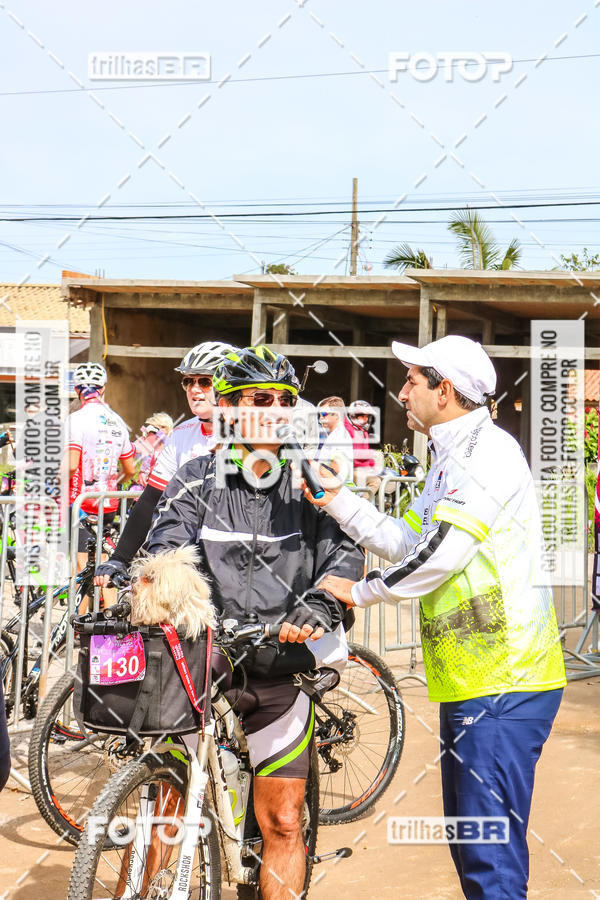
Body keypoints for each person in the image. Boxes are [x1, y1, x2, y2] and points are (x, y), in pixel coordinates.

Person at [301, 335, 567, 900]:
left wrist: (362, 591)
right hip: (477, 677)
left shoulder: (486, 453)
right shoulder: (450, 455)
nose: (401, 392)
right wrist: (338, 500)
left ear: (444, 390)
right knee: (474, 846)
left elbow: (441, 552)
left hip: (505, 679)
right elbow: (409, 539)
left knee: (487, 856)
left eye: (412, 380)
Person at [144, 345, 364, 900]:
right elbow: (165, 542)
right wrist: (166, 584)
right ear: (226, 408)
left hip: (279, 667)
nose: (272, 411)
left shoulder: (314, 482)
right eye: (256, 400)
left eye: (283, 401)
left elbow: (345, 557)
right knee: (168, 809)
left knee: (283, 821)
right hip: (203, 662)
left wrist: (318, 606)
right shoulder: (196, 478)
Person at [94, 341, 236, 587]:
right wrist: (119, 558)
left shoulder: (249, 435)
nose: (194, 389)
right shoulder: (182, 434)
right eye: (188, 381)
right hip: (187, 559)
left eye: (205, 381)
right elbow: (151, 500)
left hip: (234, 561)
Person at [68, 362, 136, 573]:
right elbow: (130, 471)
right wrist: (109, 483)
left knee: (80, 567)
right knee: (103, 563)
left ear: (76, 389)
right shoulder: (117, 421)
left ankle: (75, 607)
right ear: (103, 388)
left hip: (80, 502)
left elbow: (70, 465)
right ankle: (109, 607)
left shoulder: (76, 419)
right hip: (108, 503)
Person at [315, 396, 354, 484]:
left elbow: (335, 468)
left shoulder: (339, 437)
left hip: (339, 490)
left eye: (324, 414)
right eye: (320, 415)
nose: (320, 418)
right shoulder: (335, 435)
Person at [131, 411, 174, 489]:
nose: (157, 432)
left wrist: (164, 439)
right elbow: (130, 450)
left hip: (161, 489)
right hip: (142, 489)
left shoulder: (171, 446)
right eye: (154, 428)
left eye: (162, 427)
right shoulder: (145, 443)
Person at [346, 399, 381, 492]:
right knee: (375, 481)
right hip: (349, 469)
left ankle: (384, 504)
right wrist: (372, 454)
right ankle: (364, 505)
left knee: (387, 477)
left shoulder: (363, 431)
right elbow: (351, 454)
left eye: (367, 416)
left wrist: (373, 465)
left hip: (361, 469)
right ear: (353, 415)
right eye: (361, 416)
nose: (365, 419)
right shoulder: (347, 430)